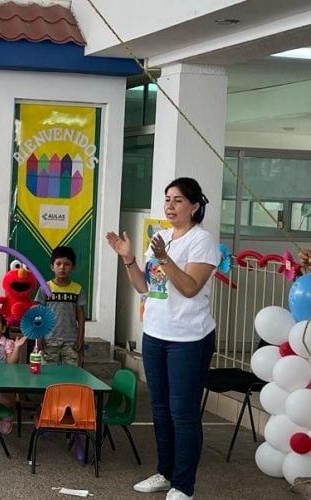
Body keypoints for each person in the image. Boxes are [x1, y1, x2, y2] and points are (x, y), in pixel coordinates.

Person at [106, 177, 218, 500]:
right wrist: (128, 258)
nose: (170, 205)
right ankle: (166, 473)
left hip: (189, 338)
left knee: (183, 412)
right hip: (155, 333)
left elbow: (189, 287)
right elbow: (144, 287)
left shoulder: (202, 240)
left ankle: (184, 485)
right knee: (159, 409)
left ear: (194, 206)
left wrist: (165, 259)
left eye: (178, 200)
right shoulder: (161, 237)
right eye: (167, 199)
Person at [34, 246, 86, 366]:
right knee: (49, 372)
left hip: (71, 340)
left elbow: (81, 315)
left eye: (67, 264)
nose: (62, 267)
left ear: (73, 267)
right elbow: (38, 313)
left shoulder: (77, 289)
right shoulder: (45, 287)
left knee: (72, 372)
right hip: (49, 339)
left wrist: (80, 338)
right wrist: (39, 335)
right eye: (58, 264)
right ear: (52, 267)